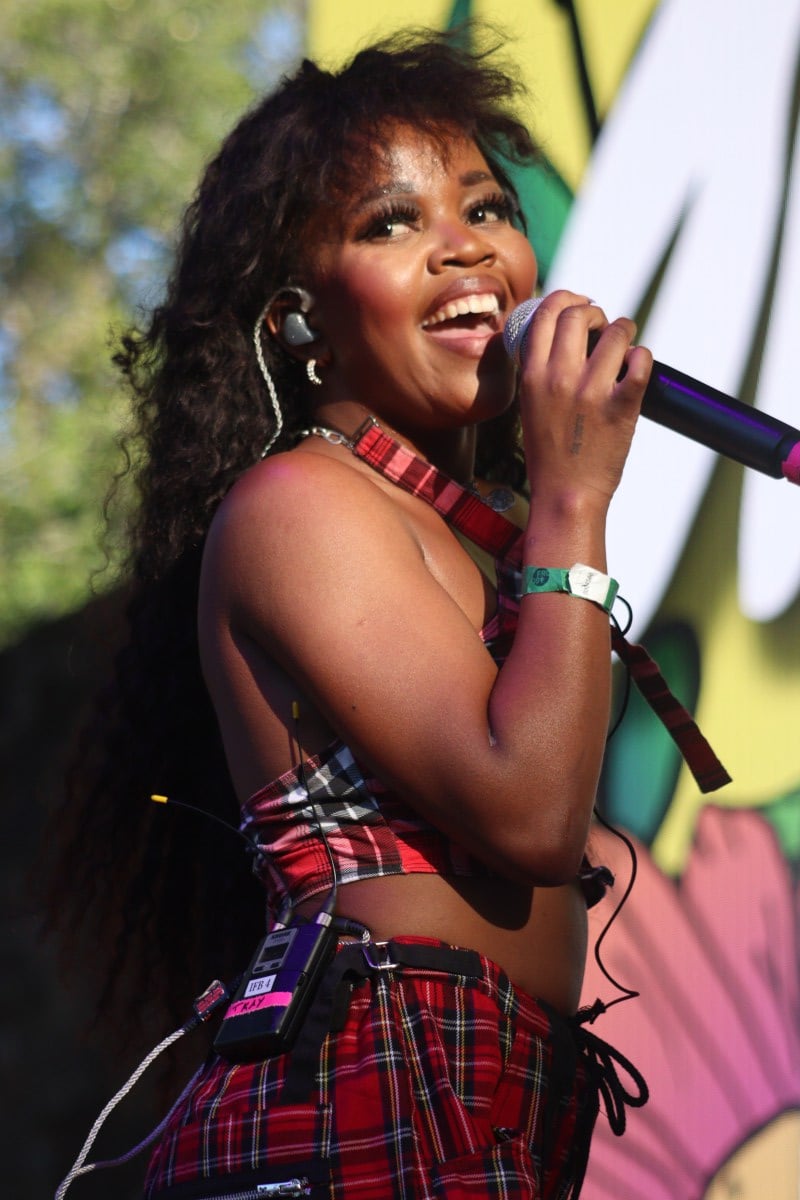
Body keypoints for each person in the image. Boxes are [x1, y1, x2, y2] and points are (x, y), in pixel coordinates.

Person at [52, 28, 657, 1199]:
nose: (462, 248)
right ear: (297, 316)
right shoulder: (300, 504)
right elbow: (527, 815)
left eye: (485, 207)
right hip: (373, 1083)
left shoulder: (467, 531)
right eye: (389, 223)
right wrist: (575, 501)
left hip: (489, 1089)